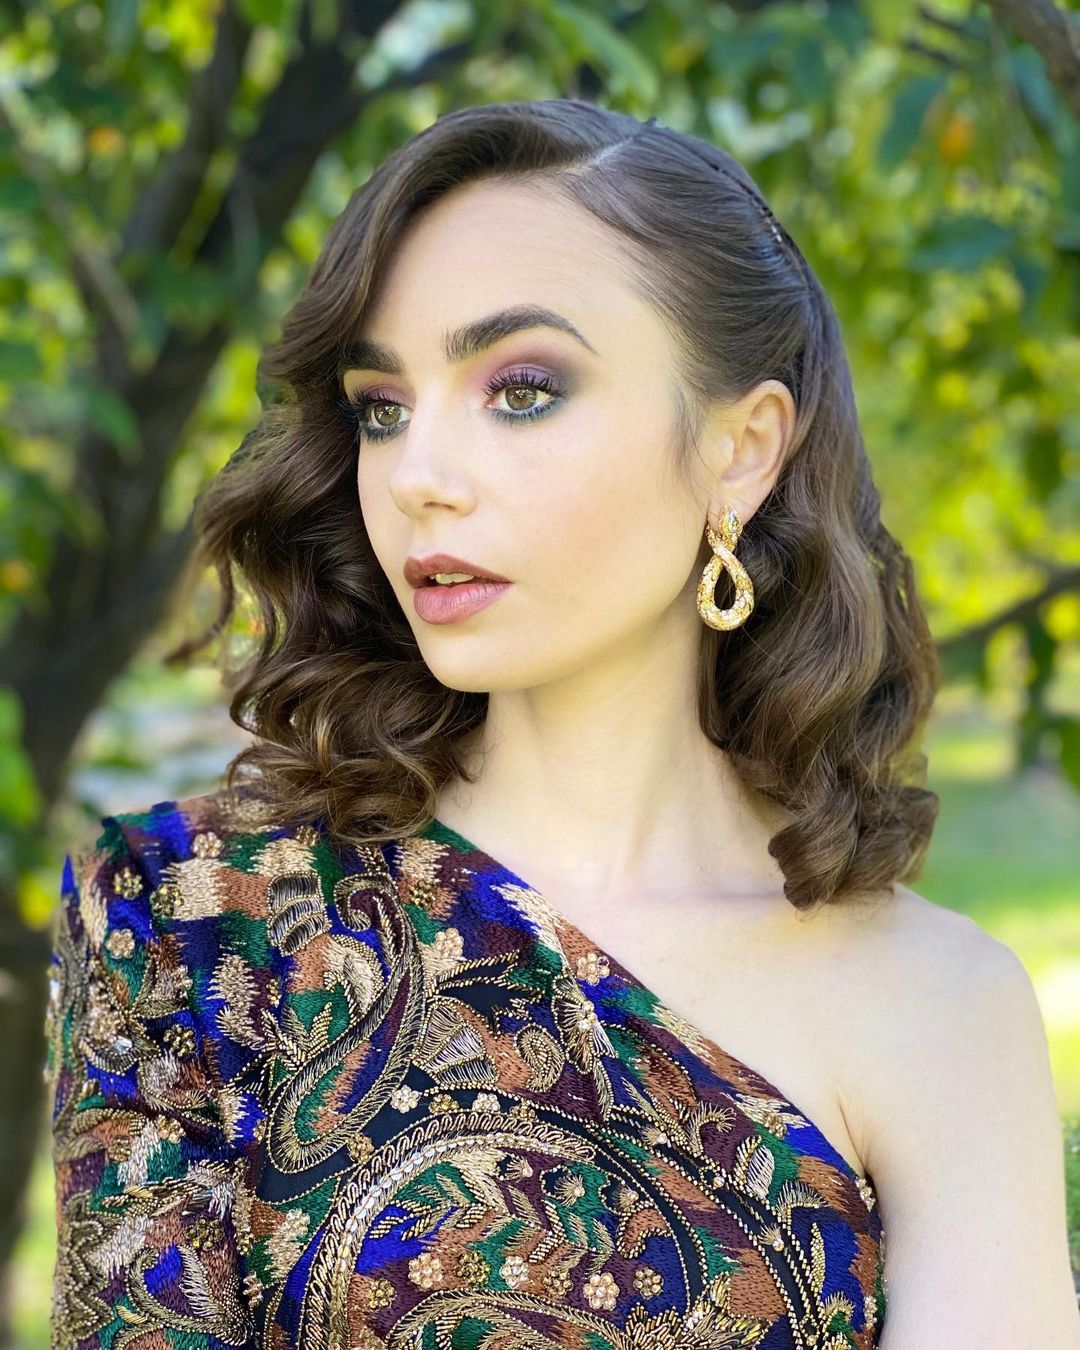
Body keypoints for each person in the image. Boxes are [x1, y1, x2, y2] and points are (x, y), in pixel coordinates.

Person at [45, 99, 1078, 1350]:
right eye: (382, 407)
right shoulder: (193, 917)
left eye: (522, 390)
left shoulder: (937, 1002)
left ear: (741, 450)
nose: (420, 475)